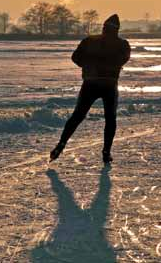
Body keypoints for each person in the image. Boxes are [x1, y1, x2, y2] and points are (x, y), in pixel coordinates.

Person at [50, 14, 131, 164]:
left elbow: (75, 57)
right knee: (110, 119)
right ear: (117, 29)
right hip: (110, 84)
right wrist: (110, 66)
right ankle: (106, 153)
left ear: (104, 27)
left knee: (78, 116)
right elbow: (124, 59)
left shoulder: (89, 41)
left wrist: (88, 66)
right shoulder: (123, 44)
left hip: (90, 83)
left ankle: (60, 145)